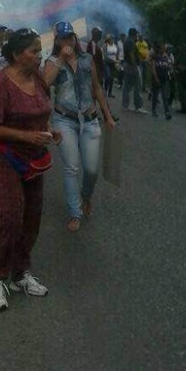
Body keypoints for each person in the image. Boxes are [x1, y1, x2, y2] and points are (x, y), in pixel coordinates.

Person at [0, 28, 60, 310]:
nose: (39, 56)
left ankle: (20, 274)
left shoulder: (37, 78)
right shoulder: (0, 84)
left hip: (33, 157)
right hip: (2, 157)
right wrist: (26, 137)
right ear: (15, 54)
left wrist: (48, 130)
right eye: (34, 51)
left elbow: (43, 111)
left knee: (32, 217)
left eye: (40, 50)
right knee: (10, 216)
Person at [44, 20, 116, 232]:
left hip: (90, 119)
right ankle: (74, 212)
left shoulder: (87, 59)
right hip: (64, 120)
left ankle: (86, 197)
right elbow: (44, 85)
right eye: (63, 38)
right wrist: (61, 60)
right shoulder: (51, 62)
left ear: (75, 38)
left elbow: (97, 89)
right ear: (56, 40)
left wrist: (108, 116)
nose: (67, 41)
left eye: (70, 37)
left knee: (92, 170)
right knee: (72, 167)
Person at [122, 28, 148, 113]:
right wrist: (135, 65)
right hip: (131, 65)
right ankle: (138, 106)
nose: (137, 36)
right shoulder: (131, 42)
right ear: (134, 34)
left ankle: (125, 105)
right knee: (137, 86)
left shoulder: (126, 41)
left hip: (127, 64)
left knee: (127, 86)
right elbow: (131, 54)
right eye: (136, 34)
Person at [150, 40, 172, 119]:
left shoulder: (166, 56)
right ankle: (154, 110)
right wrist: (156, 78)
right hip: (157, 78)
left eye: (164, 48)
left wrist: (170, 70)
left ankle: (167, 112)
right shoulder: (155, 56)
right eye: (162, 48)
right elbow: (153, 68)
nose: (163, 49)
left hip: (165, 78)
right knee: (155, 95)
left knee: (165, 96)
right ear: (159, 49)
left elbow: (169, 65)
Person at [103, 33, 118, 97]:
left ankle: (110, 92)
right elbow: (105, 55)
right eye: (111, 39)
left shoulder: (115, 46)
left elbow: (116, 54)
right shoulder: (105, 45)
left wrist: (117, 61)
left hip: (113, 63)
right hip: (107, 63)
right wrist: (112, 60)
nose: (112, 40)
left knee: (111, 78)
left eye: (113, 39)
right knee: (108, 77)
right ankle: (105, 90)